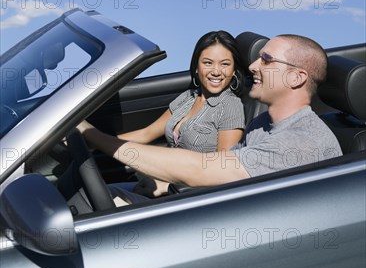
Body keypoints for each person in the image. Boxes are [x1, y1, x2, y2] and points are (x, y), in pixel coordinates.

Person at [77, 34, 342, 197]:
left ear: (297, 77)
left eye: (266, 60)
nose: (251, 66)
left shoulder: (301, 142)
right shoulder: (264, 123)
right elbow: (221, 163)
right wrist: (161, 182)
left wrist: (92, 135)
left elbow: (201, 169)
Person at [79, 30, 246, 197]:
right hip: (161, 182)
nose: (216, 71)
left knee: (99, 200)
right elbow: (147, 133)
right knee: (92, 194)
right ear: (196, 67)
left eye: (225, 64)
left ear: (233, 70)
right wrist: (95, 141)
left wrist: (168, 187)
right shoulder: (188, 97)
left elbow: (223, 173)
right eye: (208, 63)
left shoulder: (230, 107)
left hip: (188, 195)